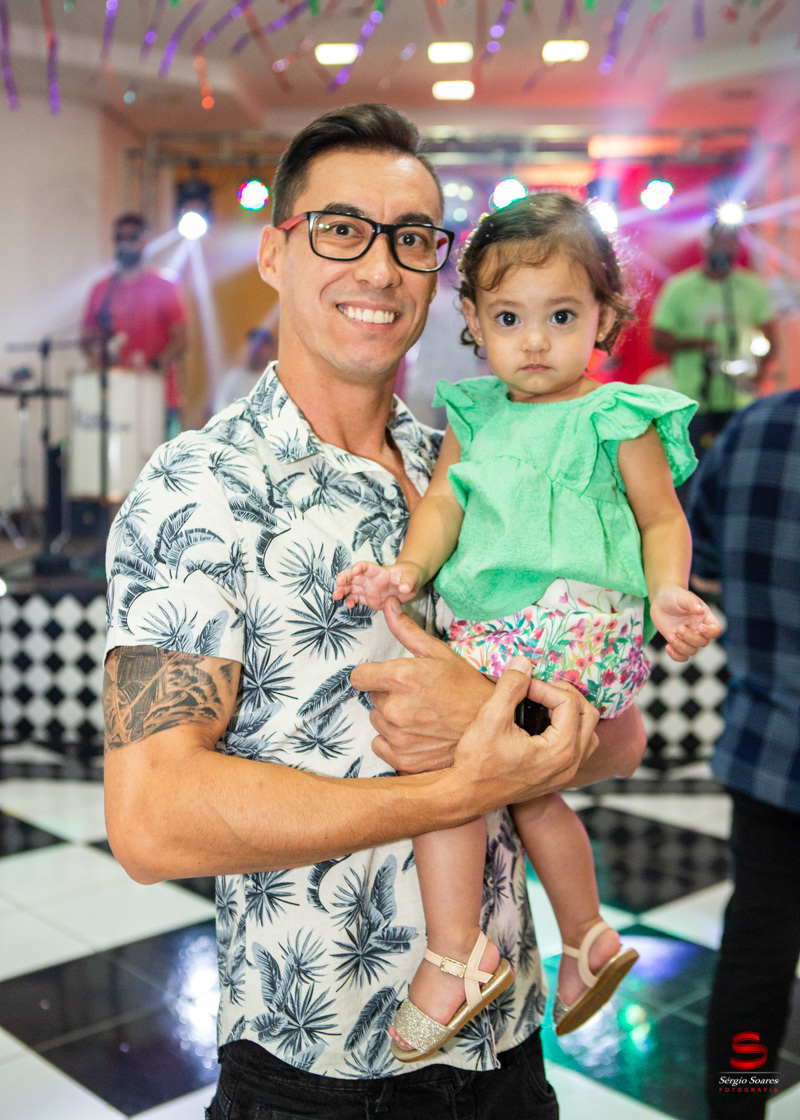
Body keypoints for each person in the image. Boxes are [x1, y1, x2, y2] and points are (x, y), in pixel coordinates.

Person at [103, 105, 648, 1120]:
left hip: (507, 1046)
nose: (380, 266)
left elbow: (619, 739)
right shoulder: (198, 489)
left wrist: (484, 708)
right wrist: (458, 785)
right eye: (341, 229)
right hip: (319, 1063)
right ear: (275, 252)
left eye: (411, 239)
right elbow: (150, 822)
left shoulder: (478, 469)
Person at [335, 193, 721, 1060]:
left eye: (562, 316)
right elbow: (443, 504)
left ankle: (457, 953)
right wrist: (409, 569)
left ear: (606, 317)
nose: (535, 341)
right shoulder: (476, 415)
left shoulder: (614, 416)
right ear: (474, 320)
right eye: (509, 318)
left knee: (448, 771)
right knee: (526, 790)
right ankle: (588, 937)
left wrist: (668, 591)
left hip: (570, 626)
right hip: (498, 629)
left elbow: (661, 518)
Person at [686, 391, 800, 1120]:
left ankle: (738, 1110)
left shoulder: (757, 426)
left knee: (756, 959)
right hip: (768, 747)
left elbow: (696, 564)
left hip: (768, 749)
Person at [651, 220, 774, 461]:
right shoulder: (680, 288)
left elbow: (770, 337)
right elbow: (658, 339)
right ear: (705, 245)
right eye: (718, 241)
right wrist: (698, 344)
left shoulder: (751, 287)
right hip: (693, 399)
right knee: (696, 466)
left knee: (738, 463)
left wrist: (758, 375)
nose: (724, 247)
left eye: (730, 241)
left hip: (739, 398)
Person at [82, 213, 189, 439]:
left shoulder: (164, 285)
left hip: (158, 396)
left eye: (131, 237)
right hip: (113, 395)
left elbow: (181, 339)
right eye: (119, 238)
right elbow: (87, 337)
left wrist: (153, 367)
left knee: (160, 459)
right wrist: (96, 356)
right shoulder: (101, 290)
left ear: (145, 241)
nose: (125, 243)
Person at [212, 324, 276, 414]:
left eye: (261, 346)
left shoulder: (276, 379)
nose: (257, 350)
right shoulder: (233, 377)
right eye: (254, 345)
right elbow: (219, 405)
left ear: (271, 349)